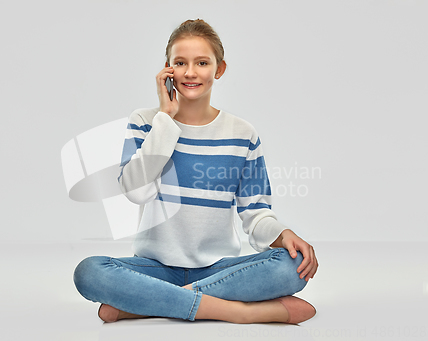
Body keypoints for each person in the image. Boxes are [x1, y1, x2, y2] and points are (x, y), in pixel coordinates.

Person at [73, 19, 318, 324]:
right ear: (167, 69)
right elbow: (137, 192)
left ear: (219, 69)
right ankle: (237, 312)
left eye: (202, 62)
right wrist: (165, 118)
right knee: (89, 272)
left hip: (219, 268)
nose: (190, 72)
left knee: (290, 266)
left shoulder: (243, 134)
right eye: (180, 62)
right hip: (154, 267)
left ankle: (146, 303)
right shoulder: (146, 122)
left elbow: (255, 213)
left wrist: (283, 234)